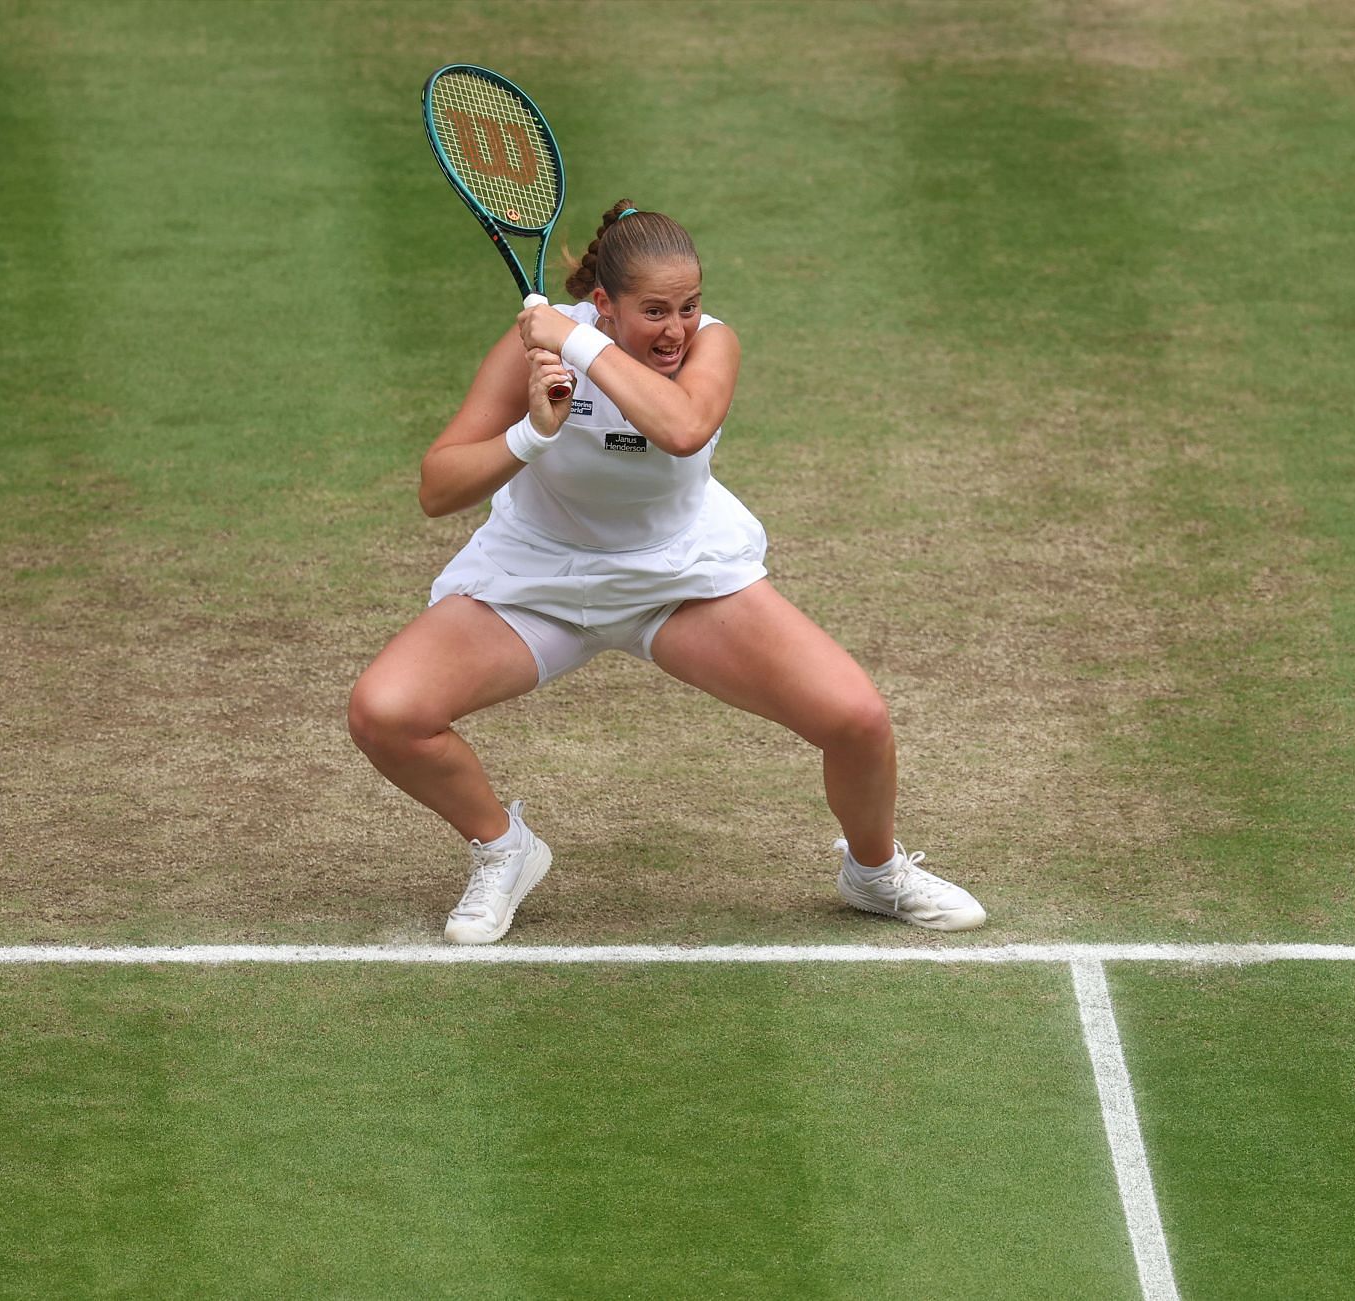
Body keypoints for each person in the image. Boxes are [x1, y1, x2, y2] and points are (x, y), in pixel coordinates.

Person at [347, 201, 986, 944]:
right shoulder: (532, 349)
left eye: (689, 305)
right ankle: (504, 850)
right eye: (654, 310)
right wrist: (531, 434)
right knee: (385, 712)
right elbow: (437, 488)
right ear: (604, 304)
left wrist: (579, 347)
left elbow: (683, 429)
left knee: (858, 720)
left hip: (680, 580)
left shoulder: (703, 346)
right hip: (538, 579)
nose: (678, 329)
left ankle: (873, 874)